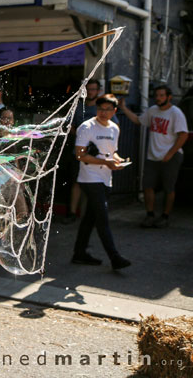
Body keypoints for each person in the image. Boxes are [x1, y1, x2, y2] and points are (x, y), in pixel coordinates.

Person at [71, 94, 131, 270]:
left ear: (114, 111)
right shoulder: (86, 127)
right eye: (100, 109)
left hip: (106, 178)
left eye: (107, 109)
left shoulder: (114, 128)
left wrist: (118, 161)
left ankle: (79, 253)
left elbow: (112, 153)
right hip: (89, 178)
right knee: (102, 218)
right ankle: (115, 257)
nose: (103, 113)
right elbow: (80, 155)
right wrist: (106, 162)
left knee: (90, 218)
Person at [119, 85, 189, 228]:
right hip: (153, 156)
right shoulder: (152, 111)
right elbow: (138, 121)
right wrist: (124, 108)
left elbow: (183, 135)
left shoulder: (176, 113)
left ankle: (165, 216)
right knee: (148, 185)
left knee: (168, 187)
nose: (158, 98)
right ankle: (150, 215)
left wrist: (170, 154)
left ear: (169, 97)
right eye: (156, 95)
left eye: (162, 95)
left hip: (171, 156)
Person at [63, 80, 119, 225]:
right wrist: (82, 137)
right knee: (77, 181)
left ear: (98, 91)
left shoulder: (103, 108)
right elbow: (70, 126)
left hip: (99, 154)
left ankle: (88, 215)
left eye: (93, 89)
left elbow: (113, 126)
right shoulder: (78, 107)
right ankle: (72, 212)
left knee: (94, 185)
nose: (91, 92)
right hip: (80, 149)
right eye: (88, 89)